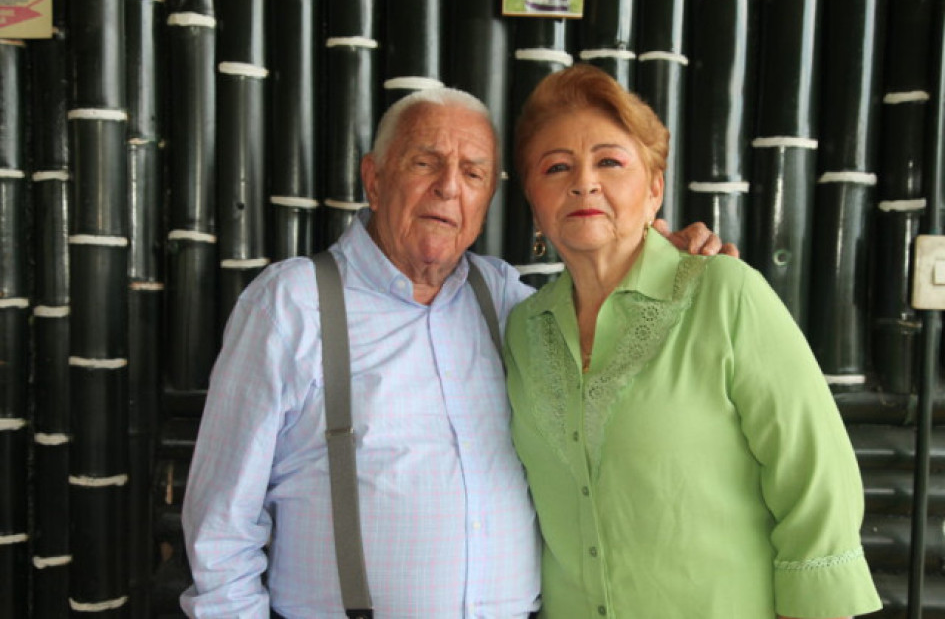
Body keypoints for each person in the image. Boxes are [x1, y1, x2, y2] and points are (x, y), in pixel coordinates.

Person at [179, 85, 728, 618]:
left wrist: (662, 257)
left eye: (473, 174)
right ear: (374, 179)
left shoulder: (510, 301)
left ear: (487, 200)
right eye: (425, 163)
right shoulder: (291, 304)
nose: (448, 188)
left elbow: (607, 317)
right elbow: (220, 533)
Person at [503, 63, 883, 619]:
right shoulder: (522, 329)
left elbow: (816, 478)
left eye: (610, 161)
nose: (584, 182)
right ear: (534, 202)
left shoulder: (726, 295)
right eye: (557, 166)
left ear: (654, 188)